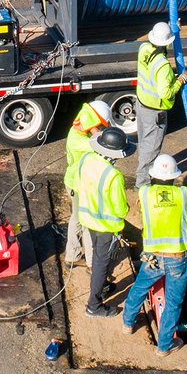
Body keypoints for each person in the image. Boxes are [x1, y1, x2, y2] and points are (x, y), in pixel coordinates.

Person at [121, 154, 187, 357]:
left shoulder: (145, 193)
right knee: (173, 303)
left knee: (140, 287)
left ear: (153, 175)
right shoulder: (183, 193)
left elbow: (145, 194)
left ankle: (127, 323)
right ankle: (164, 346)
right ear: (174, 176)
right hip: (177, 258)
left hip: (153, 257)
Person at [74, 126, 133, 317]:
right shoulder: (113, 175)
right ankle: (94, 305)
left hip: (88, 219)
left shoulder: (86, 159)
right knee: (101, 263)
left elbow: (78, 184)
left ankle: (103, 286)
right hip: (106, 227)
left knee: (98, 257)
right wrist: (125, 210)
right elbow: (120, 208)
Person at [134, 21, 187, 188]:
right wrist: (179, 81)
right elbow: (165, 93)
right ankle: (142, 186)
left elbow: (160, 46)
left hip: (142, 104)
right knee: (150, 150)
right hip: (155, 112)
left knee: (144, 144)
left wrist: (172, 29)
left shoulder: (144, 48)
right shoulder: (163, 65)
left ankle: (143, 178)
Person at [63, 99, 112, 268]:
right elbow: (101, 145)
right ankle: (91, 263)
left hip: (73, 182)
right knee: (86, 222)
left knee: (76, 218)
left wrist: (94, 126)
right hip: (79, 185)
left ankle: (73, 255)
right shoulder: (83, 143)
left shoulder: (76, 131)